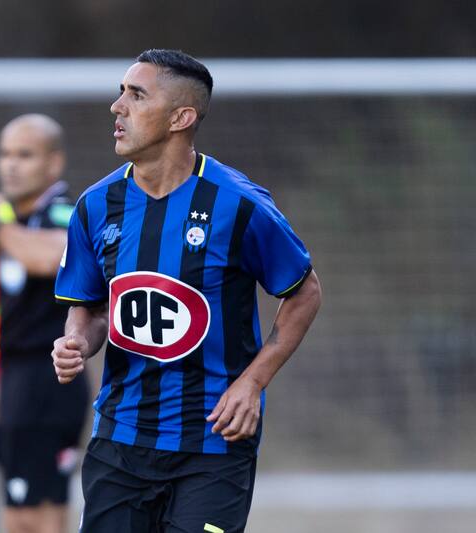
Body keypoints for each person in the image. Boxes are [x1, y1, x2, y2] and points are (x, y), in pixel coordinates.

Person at [52, 49, 322, 533]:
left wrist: (253, 382)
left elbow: (304, 292)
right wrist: (77, 341)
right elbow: (92, 308)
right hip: (120, 440)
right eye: (120, 92)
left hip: (213, 442)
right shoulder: (96, 206)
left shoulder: (239, 204)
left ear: (181, 118)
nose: (117, 107)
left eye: (137, 95)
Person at [0, 114, 89, 533]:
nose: (11, 165)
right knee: (17, 512)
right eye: (5, 154)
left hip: (50, 378)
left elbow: (54, 256)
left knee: (41, 513)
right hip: (16, 376)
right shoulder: (13, 219)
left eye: (25, 155)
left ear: (54, 163)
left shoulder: (65, 211)